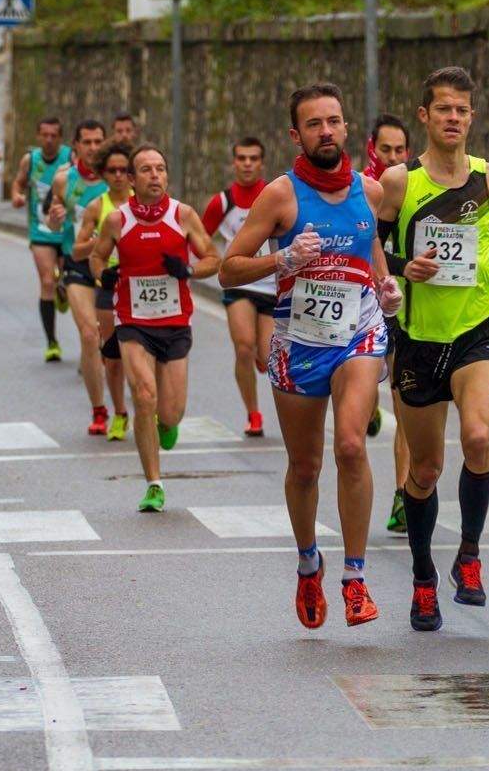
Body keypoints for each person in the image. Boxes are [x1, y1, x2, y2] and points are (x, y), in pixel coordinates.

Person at [219, 83, 402, 631]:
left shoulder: (370, 192)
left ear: (347, 130)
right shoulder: (280, 196)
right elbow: (228, 268)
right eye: (315, 124)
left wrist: (387, 288)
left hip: (358, 333)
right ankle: (308, 564)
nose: (327, 131)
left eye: (335, 121)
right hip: (299, 342)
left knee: (350, 444)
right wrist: (281, 259)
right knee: (305, 466)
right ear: (296, 135)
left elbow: (370, 251)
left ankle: (355, 577)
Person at [376, 67, 489, 632]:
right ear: (425, 115)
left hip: (476, 331)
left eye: (462, 110)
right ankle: (423, 579)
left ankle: (468, 555)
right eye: (443, 108)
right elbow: (371, 248)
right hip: (419, 340)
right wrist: (401, 267)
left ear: (471, 116)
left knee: (477, 435)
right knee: (424, 468)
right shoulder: (400, 182)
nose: (453, 118)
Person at [89, 144, 219, 512]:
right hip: (133, 322)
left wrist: (189, 270)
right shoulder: (117, 220)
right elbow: (97, 257)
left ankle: (168, 423)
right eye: (145, 170)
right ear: (131, 180)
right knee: (143, 395)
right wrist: (104, 274)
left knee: (171, 412)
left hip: (175, 323)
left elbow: (214, 258)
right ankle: (154, 484)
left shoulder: (183, 215)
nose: (155, 176)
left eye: (160, 168)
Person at [202, 136, 276, 438]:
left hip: (272, 286)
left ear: (261, 163)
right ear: (234, 162)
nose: (247, 164)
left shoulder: (273, 196)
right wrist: (209, 260)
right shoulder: (222, 202)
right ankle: (253, 413)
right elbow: (197, 234)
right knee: (244, 348)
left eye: (253, 158)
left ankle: (261, 358)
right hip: (240, 284)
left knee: (266, 355)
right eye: (242, 158)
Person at [364, 114, 415, 533]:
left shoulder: (415, 187)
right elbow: (368, 247)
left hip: (398, 308)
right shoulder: (360, 191)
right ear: (371, 150)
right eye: (386, 150)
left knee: (405, 402)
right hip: (359, 306)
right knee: (362, 400)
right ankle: (366, 407)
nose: (393, 157)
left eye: (400, 151)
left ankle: (402, 495)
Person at [48, 120, 112, 434]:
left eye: (98, 141)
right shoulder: (63, 180)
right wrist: (55, 219)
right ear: (75, 146)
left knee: (113, 340)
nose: (93, 147)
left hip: (114, 267)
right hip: (77, 265)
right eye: (86, 142)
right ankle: (99, 410)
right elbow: (55, 226)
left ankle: (129, 405)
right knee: (89, 334)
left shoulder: (118, 178)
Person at [74, 139, 135, 442]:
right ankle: (120, 413)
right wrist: (100, 240)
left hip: (140, 282)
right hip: (109, 282)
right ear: (103, 174)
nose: (119, 175)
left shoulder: (145, 201)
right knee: (112, 356)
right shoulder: (97, 206)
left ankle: (149, 406)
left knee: (142, 350)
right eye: (112, 170)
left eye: (124, 169)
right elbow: (77, 251)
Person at [10, 117, 72, 361]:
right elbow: (18, 183)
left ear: (60, 137)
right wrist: (16, 195)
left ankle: (63, 289)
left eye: (53, 135)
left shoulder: (69, 158)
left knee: (67, 281)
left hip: (66, 230)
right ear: (38, 136)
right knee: (47, 281)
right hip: (41, 232)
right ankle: (52, 342)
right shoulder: (31, 160)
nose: (48, 140)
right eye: (44, 135)